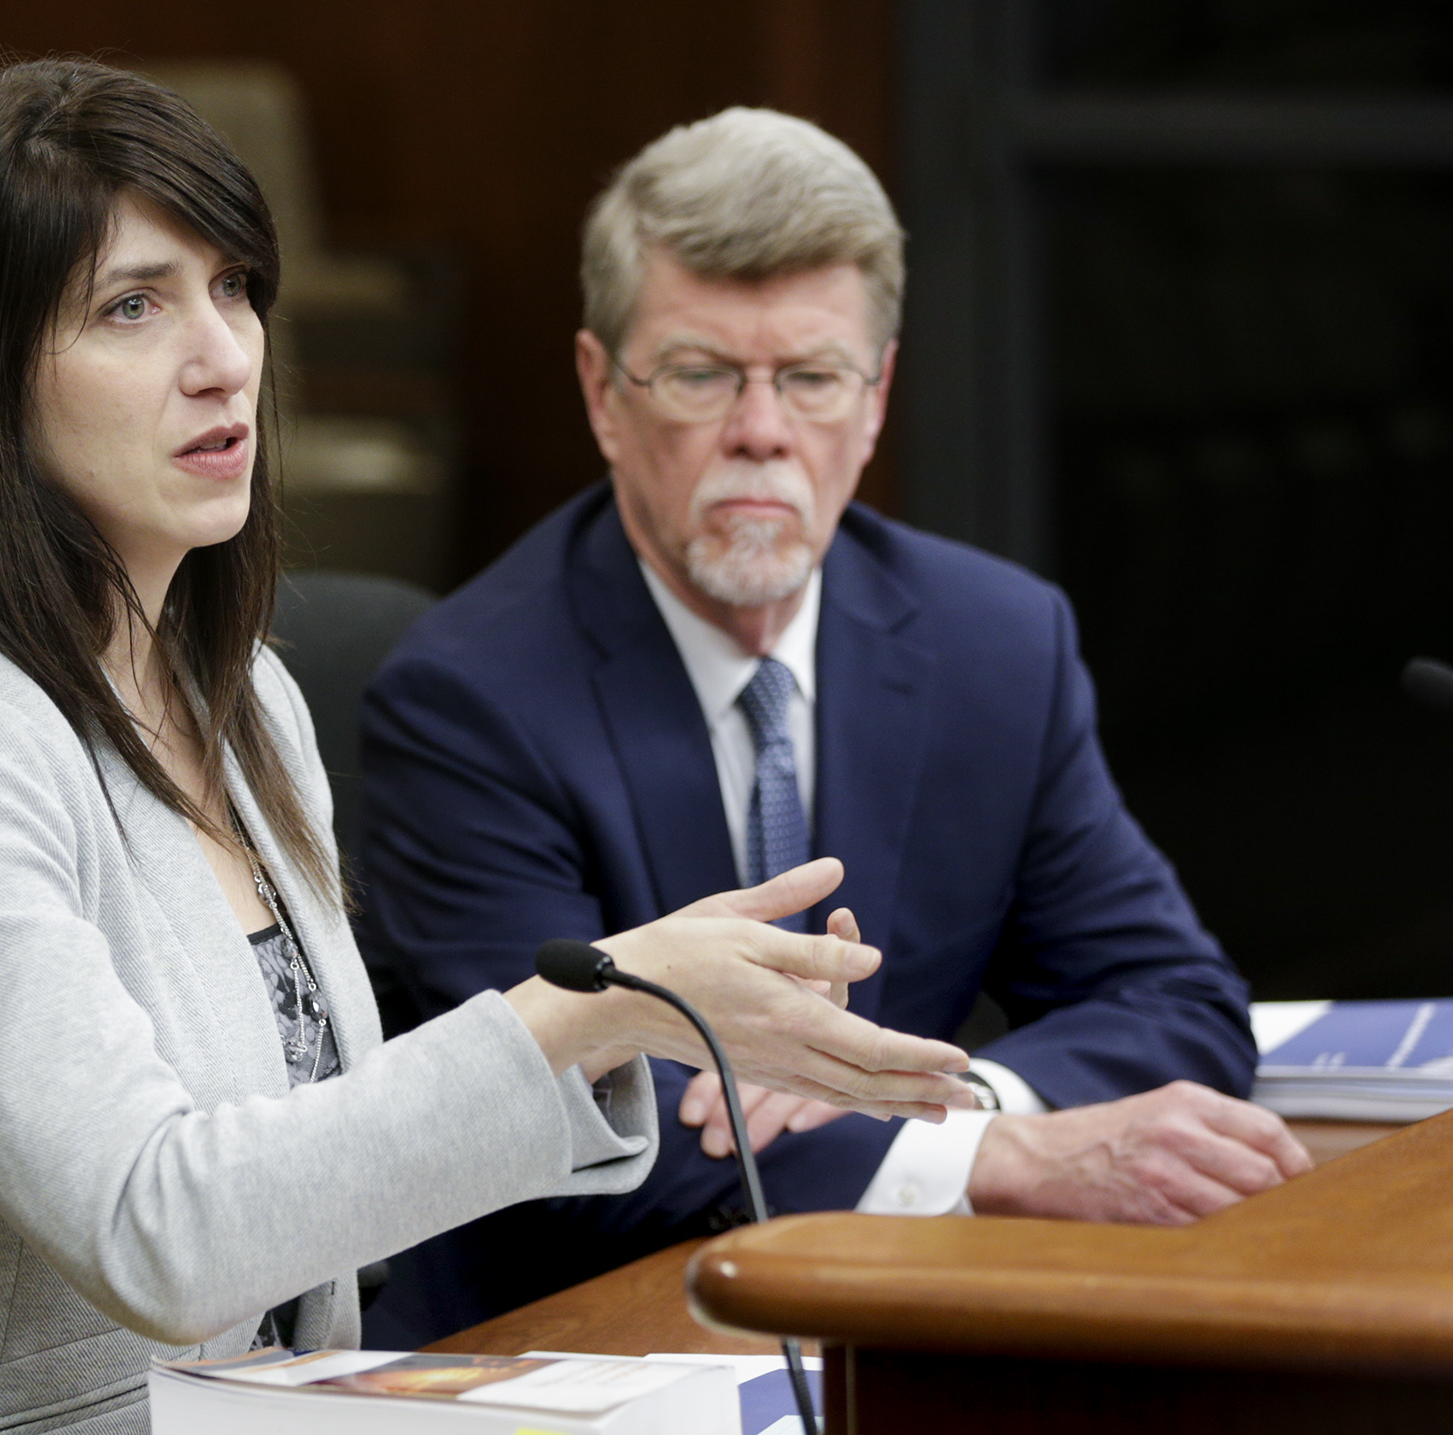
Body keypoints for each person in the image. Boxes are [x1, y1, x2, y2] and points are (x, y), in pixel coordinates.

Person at [0, 65, 974, 1435]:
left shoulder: (241, 695)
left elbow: (310, 1196)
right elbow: (161, 1226)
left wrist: (642, 1018)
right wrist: (602, 1001)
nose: (223, 355)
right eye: (133, 306)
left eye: (234, 285)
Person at [355, 107, 1314, 1346]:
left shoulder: (996, 643)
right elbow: (559, 1126)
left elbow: (1174, 991)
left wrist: (942, 1096)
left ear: (875, 400)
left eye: (809, 377)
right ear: (603, 391)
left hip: (906, 1328)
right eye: (702, 373)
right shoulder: (469, 694)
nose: (761, 430)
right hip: (581, 1344)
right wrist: (992, 1160)